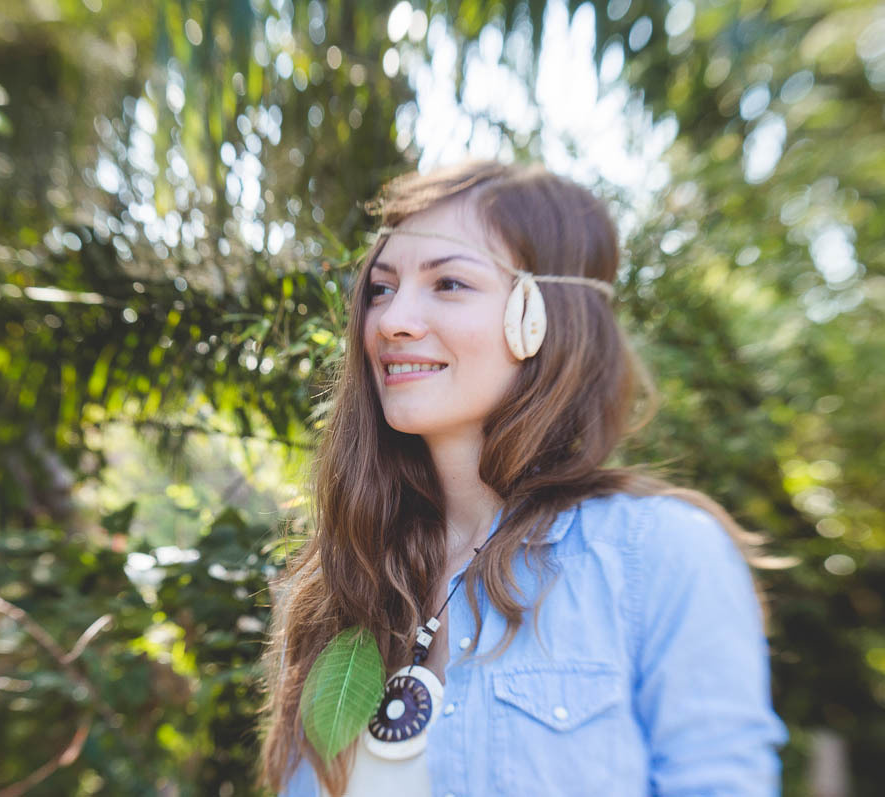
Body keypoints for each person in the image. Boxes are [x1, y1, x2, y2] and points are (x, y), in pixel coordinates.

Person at [254, 160, 788, 797]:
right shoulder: (339, 578)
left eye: (449, 283)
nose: (393, 320)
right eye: (380, 288)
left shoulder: (660, 556)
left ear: (543, 314)